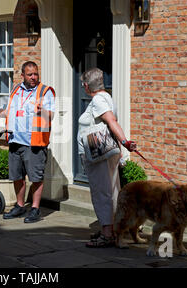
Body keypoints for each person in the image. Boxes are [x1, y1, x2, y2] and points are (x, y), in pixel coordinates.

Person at [78, 67, 137, 247]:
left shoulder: (98, 100)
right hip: (107, 154)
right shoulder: (107, 97)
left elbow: (111, 121)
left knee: (102, 192)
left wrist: (125, 142)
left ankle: (107, 235)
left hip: (99, 156)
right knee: (112, 191)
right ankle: (112, 230)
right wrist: (122, 147)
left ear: (87, 86)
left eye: (83, 85)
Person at [0, 61, 55, 223]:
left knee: (36, 177)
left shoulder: (45, 91)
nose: (33, 77)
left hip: (34, 143)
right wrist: (0, 113)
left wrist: (42, 111)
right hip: (15, 141)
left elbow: (51, 115)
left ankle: (35, 208)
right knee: (17, 176)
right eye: (30, 74)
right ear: (22, 75)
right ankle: (20, 206)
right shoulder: (15, 90)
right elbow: (10, 110)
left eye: (35, 74)